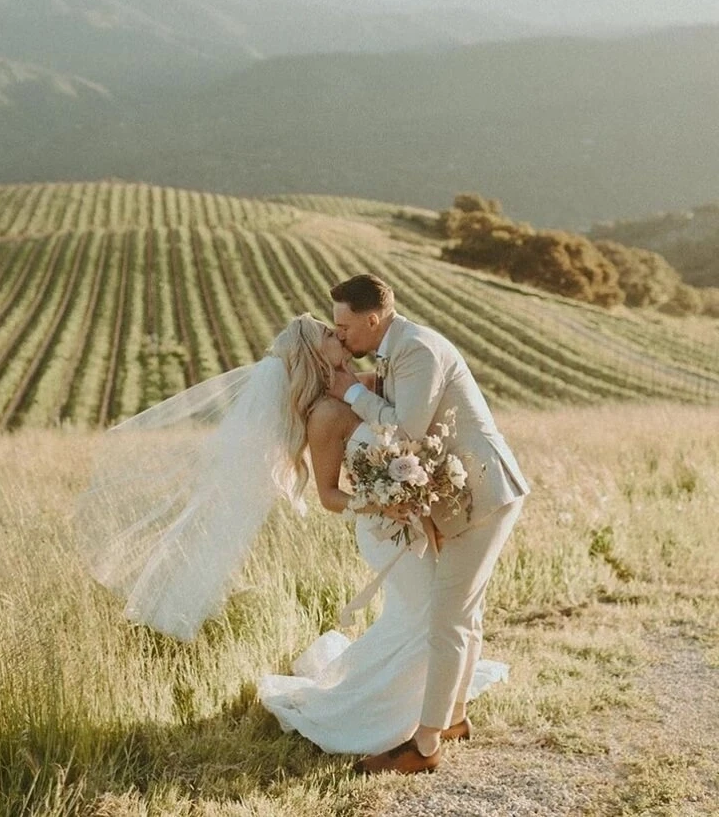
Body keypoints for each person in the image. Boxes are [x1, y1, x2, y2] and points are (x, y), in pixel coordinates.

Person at [76, 312, 508, 758]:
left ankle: (437, 717)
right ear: (311, 352)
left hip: (411, 524)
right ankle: (392, 721)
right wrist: (383, 503)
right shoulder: (323, 414)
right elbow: (328, 496)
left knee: (425, 618)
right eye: (326, 332)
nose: (337, 333)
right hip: (381, 529)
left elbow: (407, 420)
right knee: (426, 618)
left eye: (338, 326)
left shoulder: (361, 383)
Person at [327, 273, 530, 775]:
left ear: (374, 319)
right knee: (465, 614)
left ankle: (424, 746)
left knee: (449, 620)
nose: (341, 336)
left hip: (484, 493)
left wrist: (351, 392)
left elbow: (405, 429)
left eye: (345, 325)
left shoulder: (417, 348)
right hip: (465, 497)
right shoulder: (396, 350)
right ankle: (455, 718)